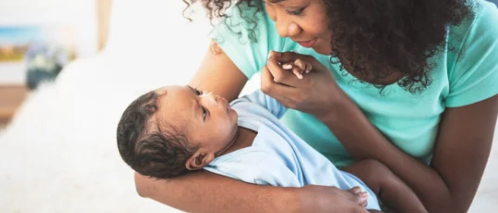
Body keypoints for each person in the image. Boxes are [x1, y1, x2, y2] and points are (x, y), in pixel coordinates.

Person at [135, 0, 498, 212]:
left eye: (295, 7)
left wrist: (334, 110)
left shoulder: (474, 37)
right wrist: (294, 203)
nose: (282, 26)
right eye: (266, 4)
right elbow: (153, 173)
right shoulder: (258, 19)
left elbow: (447, 206)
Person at [117, 81, 430, 212]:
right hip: (343, 204)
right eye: (202, 111)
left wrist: (282, 73)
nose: (211, 97)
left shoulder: (241, 113)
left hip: (346, 182)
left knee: (376, 171)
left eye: (198, 92)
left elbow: (272, 96)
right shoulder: (251, 171)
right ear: (200, 158)